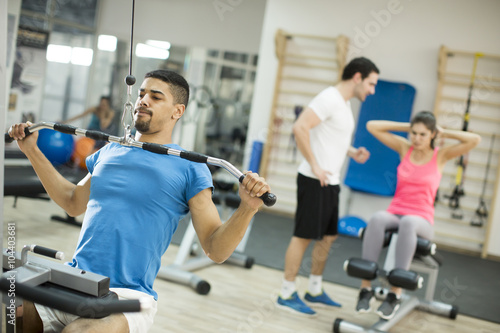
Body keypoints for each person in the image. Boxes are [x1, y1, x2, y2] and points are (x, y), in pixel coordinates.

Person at [8, 69, 271, 333]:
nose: (143, 100)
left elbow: (216, 249)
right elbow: (72, 201)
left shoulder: (190, 166)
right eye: (142, 94)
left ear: (177, 111)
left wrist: (247, 208)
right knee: (11, 310)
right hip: (75, 279)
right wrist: (31, 150)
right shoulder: (110, 150)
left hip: (126, 296)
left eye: (156, 97)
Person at [277, 57, 379, 316]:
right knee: (303, 237)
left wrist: (353, 152)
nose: (372, 90)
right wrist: (315, 165)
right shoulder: (329, 97)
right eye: (370, 83)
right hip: (314, 179)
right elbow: (300, 127)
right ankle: (286, 291)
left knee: (328, 236)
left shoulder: (343, 104)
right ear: (357, 77)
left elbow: (331, 138)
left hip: (330, 181)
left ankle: (314, 288)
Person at [356, 111, 481, 320]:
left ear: (432, 134)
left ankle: (395, 294)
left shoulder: (440, 155)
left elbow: (475, 140)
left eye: (423, 134)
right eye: (414, 133)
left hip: (421, 218)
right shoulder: (404, 148)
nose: (417, 138)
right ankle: (365, 288)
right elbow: (372, 126)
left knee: (409, 223)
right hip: (396, 211)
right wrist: (407, 127)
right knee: (377, 218)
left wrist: (444, 132)